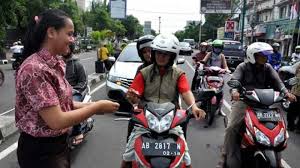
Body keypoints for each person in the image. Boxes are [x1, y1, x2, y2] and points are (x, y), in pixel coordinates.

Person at [15, 9, 119, 168]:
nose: (73, 39)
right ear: (51, 32)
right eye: (69, 34)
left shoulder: (53, 64)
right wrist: (96, 107)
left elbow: (62, 103)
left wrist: (94, 106)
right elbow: (57, 121)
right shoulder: (35, 69)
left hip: (58, 146)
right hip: (41, 153)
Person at [121, 34, 206, 168]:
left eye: (166, 54)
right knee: (128, 154)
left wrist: (194, 107)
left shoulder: (178, 74)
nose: (161, 57)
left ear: (172, 56)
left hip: (171, 121)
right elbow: (134, 93)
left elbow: (186, 92)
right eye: (159, 53)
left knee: (186, 157)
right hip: (146, 121)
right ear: (154, 53)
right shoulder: (144, 72)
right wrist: (131, 97)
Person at [221, 42, 296, 168]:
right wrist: (234, 91)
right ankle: (224, 156)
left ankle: (278, 161)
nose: (265, 58)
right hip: (244, 101)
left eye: (266, 56)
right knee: (232, 127)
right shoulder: (242, 67)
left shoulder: (268, 67)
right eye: (262, 55)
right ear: (252, 55)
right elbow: (235, 80)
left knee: (277, 130)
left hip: (263, 103)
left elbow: (278, 82)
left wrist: (286, 93)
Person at [63, 43, 93, 146]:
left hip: (76, 92)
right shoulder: (57, 63)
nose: (65, 49)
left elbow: (83, 82)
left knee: (72, 105)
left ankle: (78, 131)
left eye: (67, 47)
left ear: (71, 49)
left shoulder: (77, 64)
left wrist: (72, 91)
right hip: (62, 92)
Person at [287, 64, 300, 131]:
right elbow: (295, 76)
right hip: (296, 94)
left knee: (292, 111)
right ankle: (291, 126)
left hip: (296, 93)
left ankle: (296, 127)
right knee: (291, 112)